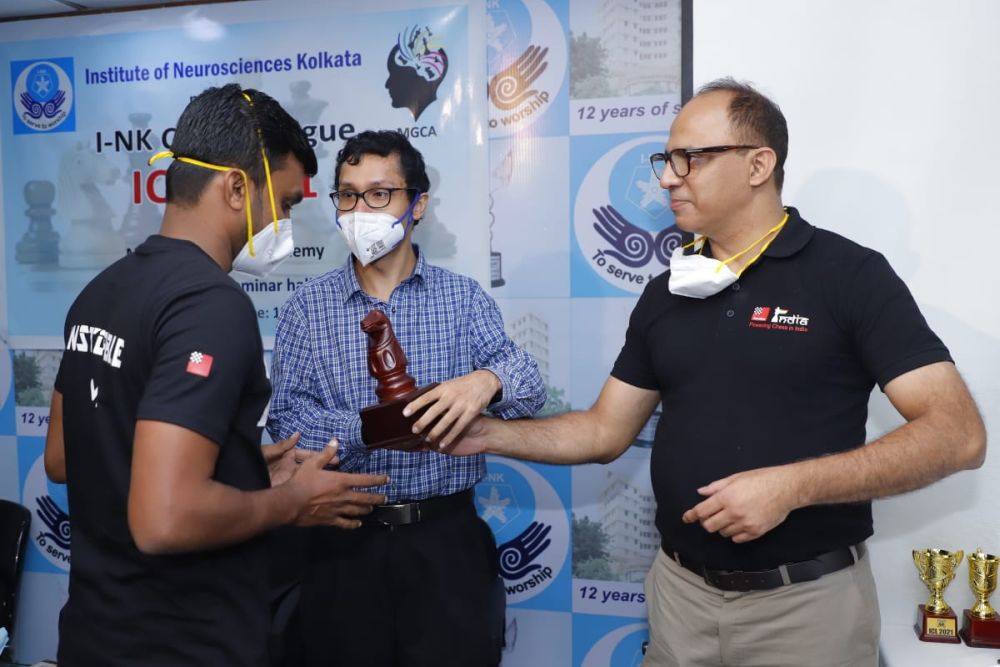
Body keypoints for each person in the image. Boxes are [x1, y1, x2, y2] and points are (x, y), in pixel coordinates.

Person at [427, 78, 988, 667]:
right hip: (679, 598)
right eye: (666, 159)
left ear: (758, 165)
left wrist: (792, 487)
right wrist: (486, 435)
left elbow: (958, 435)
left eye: (689, 158)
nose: (668, 178)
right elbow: (603, 432)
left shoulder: (849, 275)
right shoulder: (667, 291)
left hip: (806, 609)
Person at [43, 84, 389, 667]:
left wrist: (240, 467)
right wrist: (291, 502)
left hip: (94, 635)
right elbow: (164, 519)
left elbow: (62, 455)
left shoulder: (102, 290)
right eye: (285, 202)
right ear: (235, 188)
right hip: (182, 644)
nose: (285, 222)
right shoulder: (210, 305)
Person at [267, 129, 545, 667]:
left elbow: (527, 386)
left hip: (446, 542)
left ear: (417, 205)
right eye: (348, 195)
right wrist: (371, 429)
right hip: (342, 541)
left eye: (379, 194)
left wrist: (485, 381)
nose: (360, 211)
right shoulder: (307, 306)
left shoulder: (462, 298)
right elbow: (287, 422)